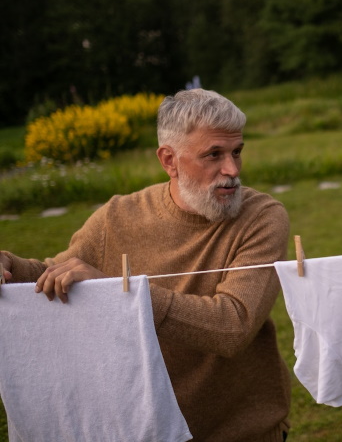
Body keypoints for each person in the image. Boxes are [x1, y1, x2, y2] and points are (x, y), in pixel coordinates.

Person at [1, 89, 291, 441]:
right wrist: (9, 266)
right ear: (169, 160)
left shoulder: (262, 218)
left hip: (243, 432)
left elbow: (234, 326)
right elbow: (57, 273)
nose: (231, 170)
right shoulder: (117, 216)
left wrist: (122, 294)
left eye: (236, 152)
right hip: (142, 429)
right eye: (213, 155)